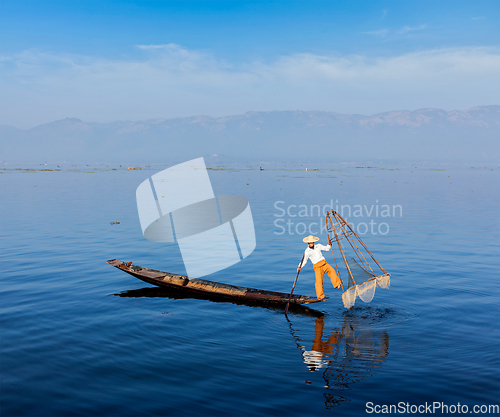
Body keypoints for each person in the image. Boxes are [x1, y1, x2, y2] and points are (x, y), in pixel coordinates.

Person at [297, 235, 341, 300]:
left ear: (314, 242)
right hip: (317, 266)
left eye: (312, 242)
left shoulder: (318, 246)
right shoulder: (307, 251)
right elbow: (304, 260)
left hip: (323, 263)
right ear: (308, 243)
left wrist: (329, 244)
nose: (311, 243)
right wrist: (299, 266)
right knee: (319, 281)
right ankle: (320, 296)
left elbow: (327, 248)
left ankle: (337, 283)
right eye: (310, 242)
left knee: (332, 270)